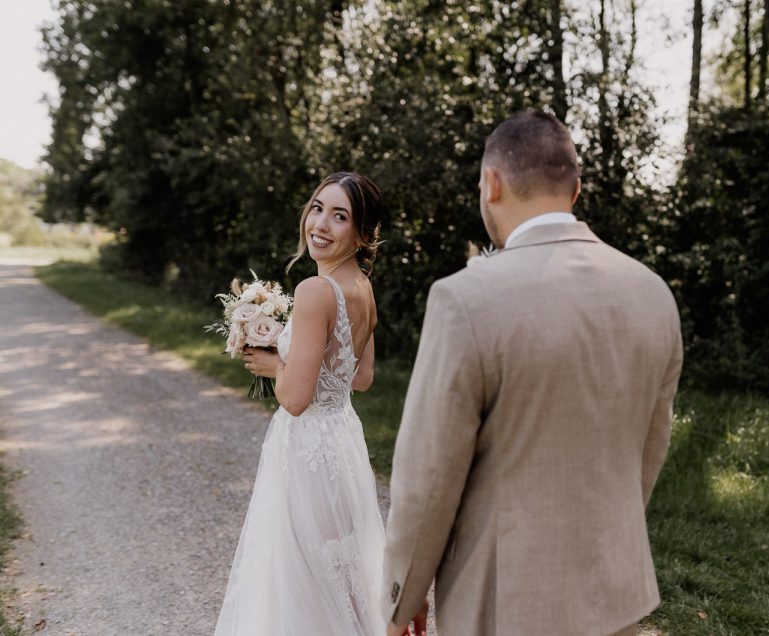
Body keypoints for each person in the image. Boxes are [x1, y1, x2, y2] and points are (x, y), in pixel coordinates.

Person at [381, 110, 683, 636]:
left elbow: (428, 478)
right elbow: (648, 453)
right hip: (615, 593)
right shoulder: (652, 292)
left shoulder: (466, 298)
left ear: (491, 184)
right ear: (576, 190)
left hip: (506, 601)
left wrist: (402, 599)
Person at [214, 172, 386, 635]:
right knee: (340, 574)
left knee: (298, 577)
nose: (321, 224)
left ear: (363, 233)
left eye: (340, 216)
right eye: (317, 208)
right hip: (343, 442)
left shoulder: (315, 291)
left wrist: (275, 367)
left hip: (308, 449)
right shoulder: (363, 287)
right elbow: (363, 378)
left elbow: (293, 400)